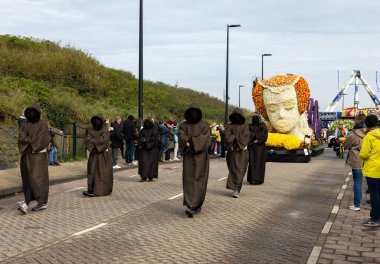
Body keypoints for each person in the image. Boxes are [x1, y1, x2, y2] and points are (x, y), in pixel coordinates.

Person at [18, 104, 52, 213]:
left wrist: (30, 142)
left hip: (38, 157)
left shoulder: (43, 125)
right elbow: (22, 138)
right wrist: (33, 140)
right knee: (28, 180)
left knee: (37, 180)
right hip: (27, 155)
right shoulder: (25, 125)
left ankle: (41, 202)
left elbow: (43, 138)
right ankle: (26, 203)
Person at [179, 103, 211, 217]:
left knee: (199, 180)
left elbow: (206, 138)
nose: (193, 115)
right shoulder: (184, 125)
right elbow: (181, 135)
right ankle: (190, 204)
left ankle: (196, 205)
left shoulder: (205, 125)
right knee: (188, 179)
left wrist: (191, 142)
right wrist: (188, 141)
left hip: (201, 157)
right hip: (188, 156)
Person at [83, 115, 113, 197]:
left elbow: (103, 141)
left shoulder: (105, 131)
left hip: (103, 155)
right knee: (92, 172)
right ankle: (91, 189)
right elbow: (87, 140)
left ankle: (102, 190)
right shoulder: (91, 130)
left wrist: (94, 143)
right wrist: (95, 144)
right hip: (94, 155)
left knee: (103, 173)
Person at [359, 115, 380, 227]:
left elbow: (364, 154)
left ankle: (375, 218)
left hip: (372, 170)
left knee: (374, 195)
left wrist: (360, 152)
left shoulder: (369, 137)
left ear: (366, 125)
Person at [343, 113, 366, 211]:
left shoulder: (354, 134)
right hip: (370, 161)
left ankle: (357, 205)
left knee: (358, 182)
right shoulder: (370, 133)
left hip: (357, 161)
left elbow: (345, 145)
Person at [225, 108, 250, 198]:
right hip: (232, 152)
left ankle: (237, 189)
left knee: (240, 170)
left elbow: (245, 137)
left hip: (242, 152)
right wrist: (236, 137)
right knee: (233, 170)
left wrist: (234, 138)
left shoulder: (245, 126)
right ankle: (234, 187)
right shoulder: (230, 126)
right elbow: (227, 137)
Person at [247, 113, 268, 185]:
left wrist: (256, 139)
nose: (254, 119)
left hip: (260, 148)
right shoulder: (250, 126)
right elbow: (248, 135)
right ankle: (252, 178)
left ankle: (258, 179)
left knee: (259, 163)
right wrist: (254, 139)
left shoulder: (262, 125)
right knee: (252, 162)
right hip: (253, 147)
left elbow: (264, 136)